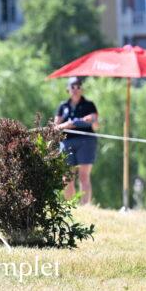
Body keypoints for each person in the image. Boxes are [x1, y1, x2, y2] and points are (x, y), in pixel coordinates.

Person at [53, 76, 99, 205]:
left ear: (81, 89)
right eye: (72, 86)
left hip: (86, 141)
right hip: (66, 142)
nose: (75, 89)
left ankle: (85, 206)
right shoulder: (63, 106)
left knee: (84, 175)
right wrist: (68, 125)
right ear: (68, 89)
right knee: (67, 177)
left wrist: (91, 120)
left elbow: (96, 125)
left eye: (78, 86)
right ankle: (70, 206)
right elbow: (55, 127)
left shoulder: (89, 105)